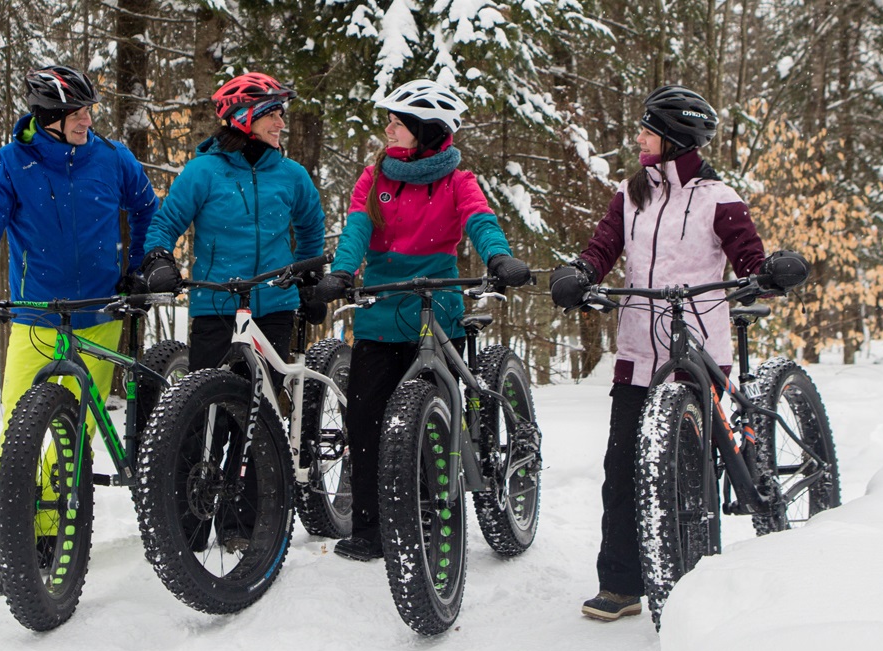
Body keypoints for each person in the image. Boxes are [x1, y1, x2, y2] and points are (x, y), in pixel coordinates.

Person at [545, 85, 809, 620]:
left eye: (647, 130)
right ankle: (620, 585)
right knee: (621, 468)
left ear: (672, 138)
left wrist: (766, 273)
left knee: (692, 473)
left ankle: (695, 586)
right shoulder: (631, 193)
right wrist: (581, 273)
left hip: (699, 345)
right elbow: (603, 247)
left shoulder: (718, 197)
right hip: (638, 348)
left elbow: (747, 256)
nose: (638, 137)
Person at [0, 65, 161, 596]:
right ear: (49, 119)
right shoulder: (10, 164)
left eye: (90, 111)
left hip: (100, 314)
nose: (89, 120)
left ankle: (48, 539)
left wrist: (139, 266)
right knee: (18, 436)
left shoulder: (112, 158)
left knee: (72, 436)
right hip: (36, 317)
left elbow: (147, 210)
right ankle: (14, 550)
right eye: (79, 113)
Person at [311, 79, 533, 562]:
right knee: (366, 424)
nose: (388, 128)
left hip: (438, 312)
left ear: (426, 130)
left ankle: (434, 518)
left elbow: (480, 220)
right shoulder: (374, 179)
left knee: (440, 427)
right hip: (380, 313)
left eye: (398, 122)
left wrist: (499, 258)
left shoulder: (458, 181)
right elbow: (356, 228)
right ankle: (369, 528)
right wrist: (342, 272)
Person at [139, 71, 326, 552]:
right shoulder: (203, 172)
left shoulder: (292, 175)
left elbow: (311, 231)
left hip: (274, 308)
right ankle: (191, 519)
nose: (282, 122)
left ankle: (245, 521)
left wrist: (308, 281)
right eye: (273, 113)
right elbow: (165, 224)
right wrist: (160, 260)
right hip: (217, 307)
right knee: (208, 415)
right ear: (245, 118)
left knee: (258, 416)